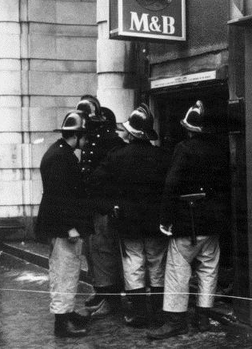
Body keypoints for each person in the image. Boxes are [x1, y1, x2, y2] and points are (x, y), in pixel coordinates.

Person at [148, 100, 230, 340]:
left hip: (187, 220)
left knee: (177, 270)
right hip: (212, 222)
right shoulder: (219, 148)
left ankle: (176, 320)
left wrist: (165, 219)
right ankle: (204, 317)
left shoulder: (183, 149)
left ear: (188, 128)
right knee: (208, 269)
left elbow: (172, 184)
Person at [88, 104, 170, 328]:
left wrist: (111, 203)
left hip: (128, 221)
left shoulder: (117, 156)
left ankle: (139, 313)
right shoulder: (162, 156)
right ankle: (159, 311)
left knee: (133, 264)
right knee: (156, 263)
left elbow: (95, 181)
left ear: (131, 132)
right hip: (155, 221)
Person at [34, 110, 93, 337]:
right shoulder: (61, 157)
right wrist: (70, 226)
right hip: (63, 227)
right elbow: (59, 196)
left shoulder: (60, 152)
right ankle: (62, 324)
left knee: (67, 270)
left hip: (61, 225)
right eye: (84, 136)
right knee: (64, 272)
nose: (86, 141)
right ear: (76, 135)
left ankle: (66, 313)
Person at [79, 101, 127, 318]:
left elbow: (112, 173)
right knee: (92, 251)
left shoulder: (112, 142)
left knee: (105, 252)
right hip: (92, 204)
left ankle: (112, 299)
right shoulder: (91, 140)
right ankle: (101, 291)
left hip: (105, 205)